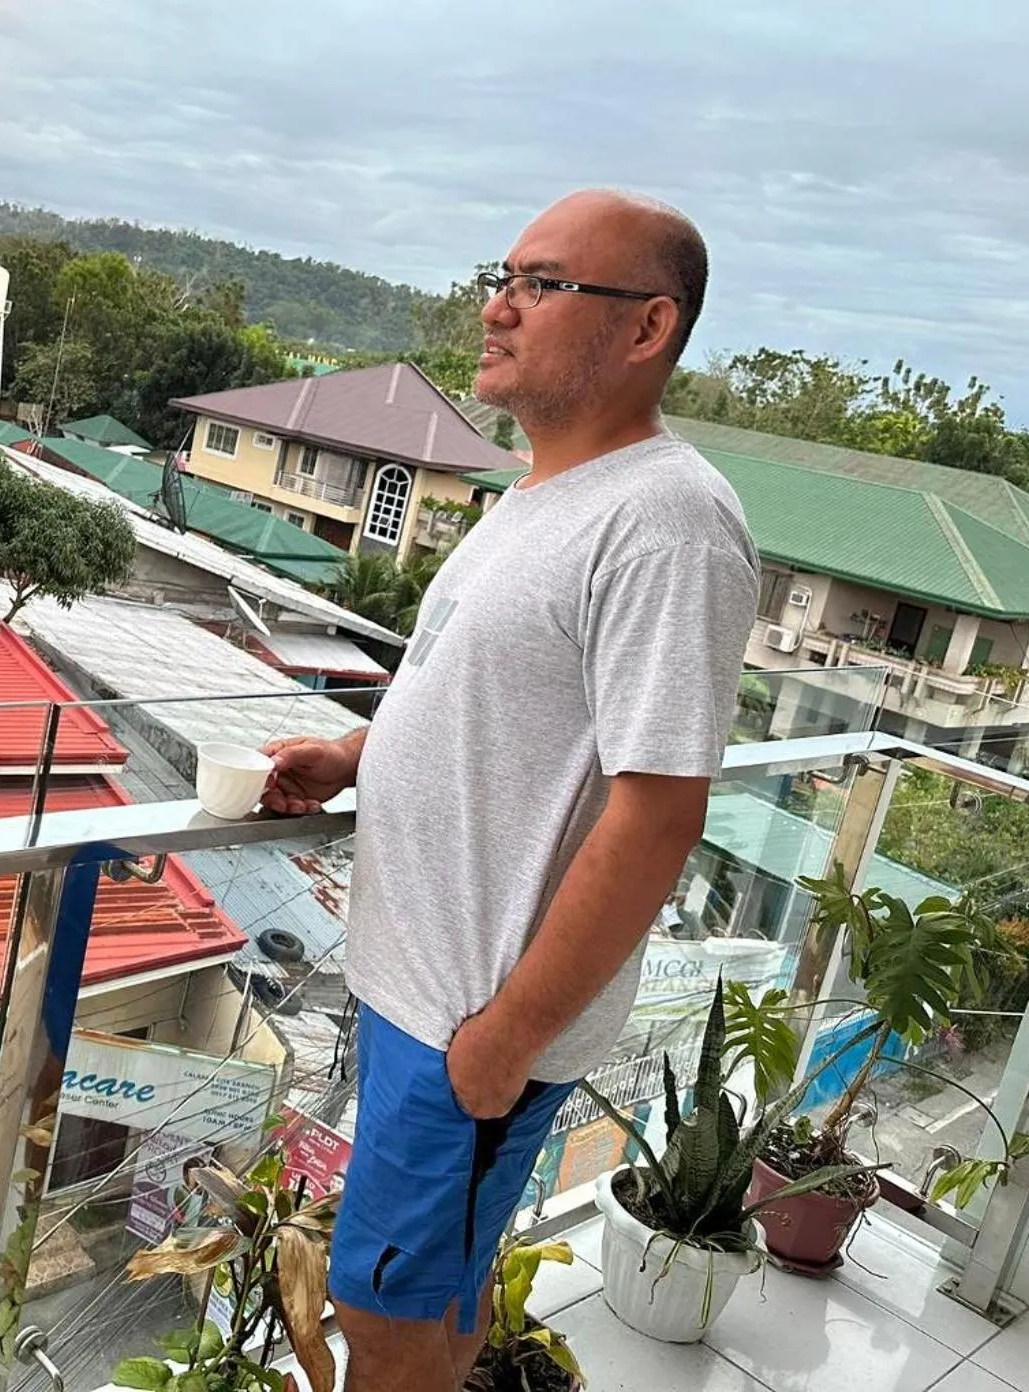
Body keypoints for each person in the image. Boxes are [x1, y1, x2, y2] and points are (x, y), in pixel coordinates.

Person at [261, 190, 758, 1392]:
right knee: (435, 1288)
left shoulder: (667, 521)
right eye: (503, 276)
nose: (496, 308)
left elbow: (657, 812)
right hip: (423, 996)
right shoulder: (536, 495)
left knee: (379, 1311)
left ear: (645, 327)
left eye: (542, 284)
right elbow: (487, 709)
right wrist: (357, 756)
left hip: (471, 1020)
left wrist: (508, 1038)